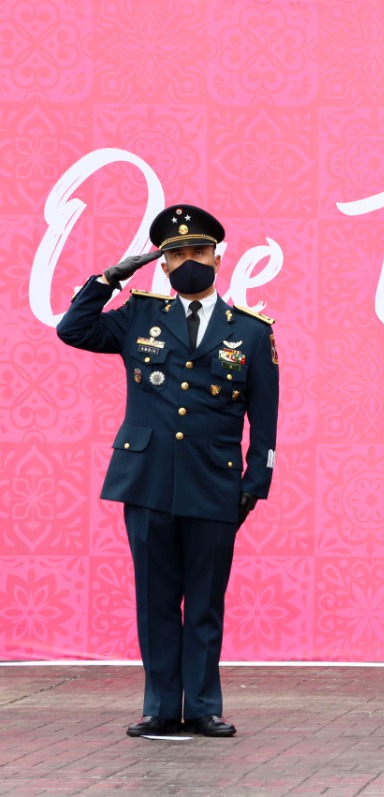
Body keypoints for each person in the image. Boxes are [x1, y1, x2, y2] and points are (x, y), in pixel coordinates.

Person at [56, 205, 279, 738]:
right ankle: (159, 707)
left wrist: (255, 484)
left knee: (204, 602)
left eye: (198, 252)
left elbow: (265, 417)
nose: (188, 262)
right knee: (155, 600)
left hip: (215, 482)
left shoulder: (251, 331)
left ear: (218, 259)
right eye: (176, 255)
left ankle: (202, 707)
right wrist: (109, 278)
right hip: (148, 479)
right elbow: (73, 329)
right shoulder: (139, 314)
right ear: (163, 263)